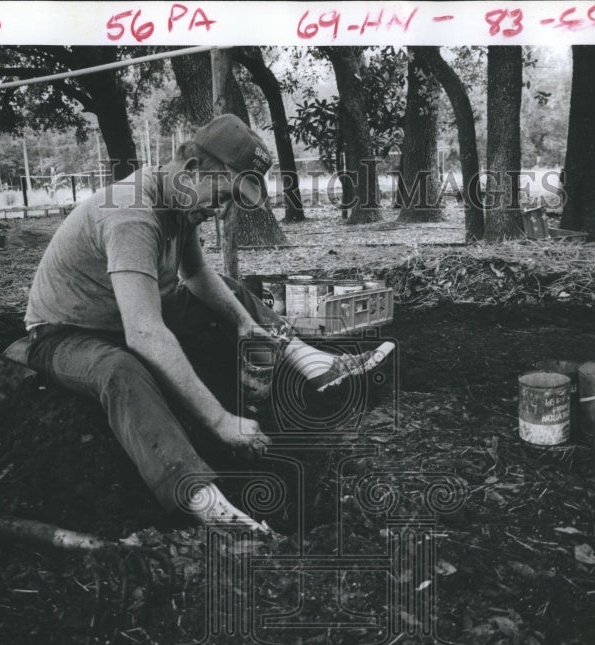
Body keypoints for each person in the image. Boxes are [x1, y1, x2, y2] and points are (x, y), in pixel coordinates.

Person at [23, 114, 393, 533]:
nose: (220, 210)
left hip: (125, 314)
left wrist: (241, 321)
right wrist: (219, 420)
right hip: (65, 333)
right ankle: (203, 502)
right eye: (222, 195)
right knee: (121, 369)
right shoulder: (131, 213)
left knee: (231, 291)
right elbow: (143, 333)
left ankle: (314, 365)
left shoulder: (176, 202)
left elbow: (195, 276)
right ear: (192, 167)